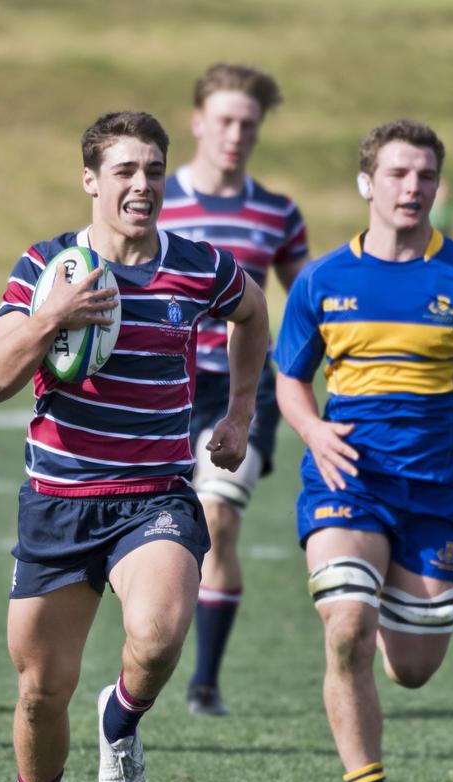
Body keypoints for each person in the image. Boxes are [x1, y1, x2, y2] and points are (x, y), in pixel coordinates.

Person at [0, 111, 268, 782]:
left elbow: (252, 313)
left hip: (154, 498)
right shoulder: (45, 266)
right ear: (91, 180)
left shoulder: (197, 266)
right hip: (59, 502)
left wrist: (240, 412)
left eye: (152, 170)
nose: (140, 185)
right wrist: (53, 319)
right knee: (40, 689)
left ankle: (122, 721)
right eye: (123, 171)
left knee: (159, 632)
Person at [274, 118, 453, 782]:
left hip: (440, 492)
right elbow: (290, 379)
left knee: (412, 670)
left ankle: (386, 602)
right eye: (396, 173)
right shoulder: (324, 280)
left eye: (423, 175)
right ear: (367, 183)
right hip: (348, 480)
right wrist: (315, 431)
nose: (411, 187)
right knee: (347, 629)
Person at [158, 63, 309, 715]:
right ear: (197, 122)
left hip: (245, 390)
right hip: (160, 384)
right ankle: (147, 651)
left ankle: (204, 683)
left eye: (248, 123)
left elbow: (308, 304)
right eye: (223, 119)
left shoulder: (278, 213)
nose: (235, 133)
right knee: (161, 528)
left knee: (218, 517)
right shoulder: (154, 199)